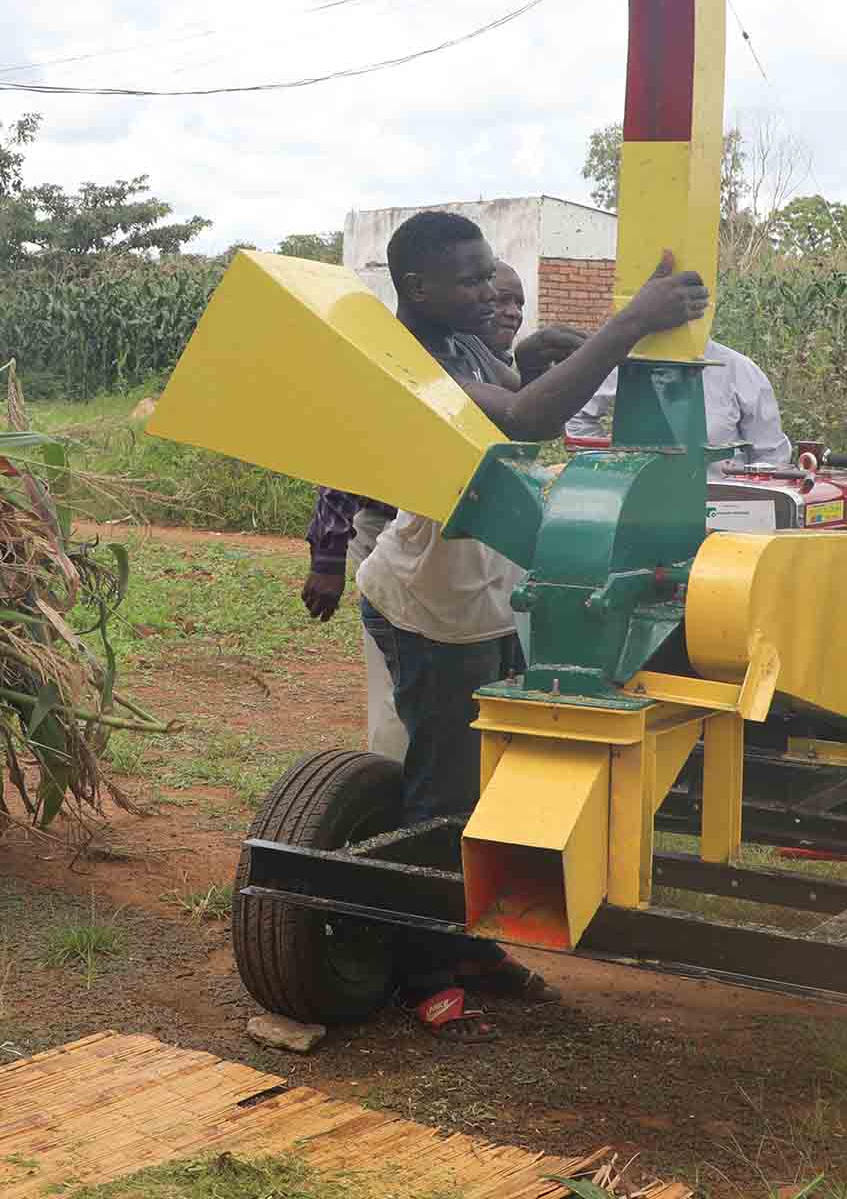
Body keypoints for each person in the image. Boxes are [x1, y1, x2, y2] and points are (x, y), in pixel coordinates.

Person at [354, 212, 705, 1040]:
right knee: (440, 791)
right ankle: (420, 966)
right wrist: (629, 323)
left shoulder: (469, 341)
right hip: (430, 602)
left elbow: (514, 400)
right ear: (419, 289)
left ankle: (473, 947)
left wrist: (537, 366)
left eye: (492, 272)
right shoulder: (411, 360)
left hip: (486, 588)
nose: (490, 290)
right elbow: (523, 422)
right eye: (473, 279)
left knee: (486, 780)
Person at [305, 262, 542, 761]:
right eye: (493, 297)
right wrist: (327, 559)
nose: (507, 310)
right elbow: (349, 457)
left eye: (516, 301)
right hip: (392, 526)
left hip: (459, 541)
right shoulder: (422, 361)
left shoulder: (485, 360)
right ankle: (390, 781)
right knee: (401, 680)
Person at [565, 336, 791, 472]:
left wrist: (741, 504)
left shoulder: (739, 370)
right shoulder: (627, 364)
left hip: (720, 517)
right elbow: (577, 416)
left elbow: (771, 456)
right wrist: (608, 466)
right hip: (639, 508)